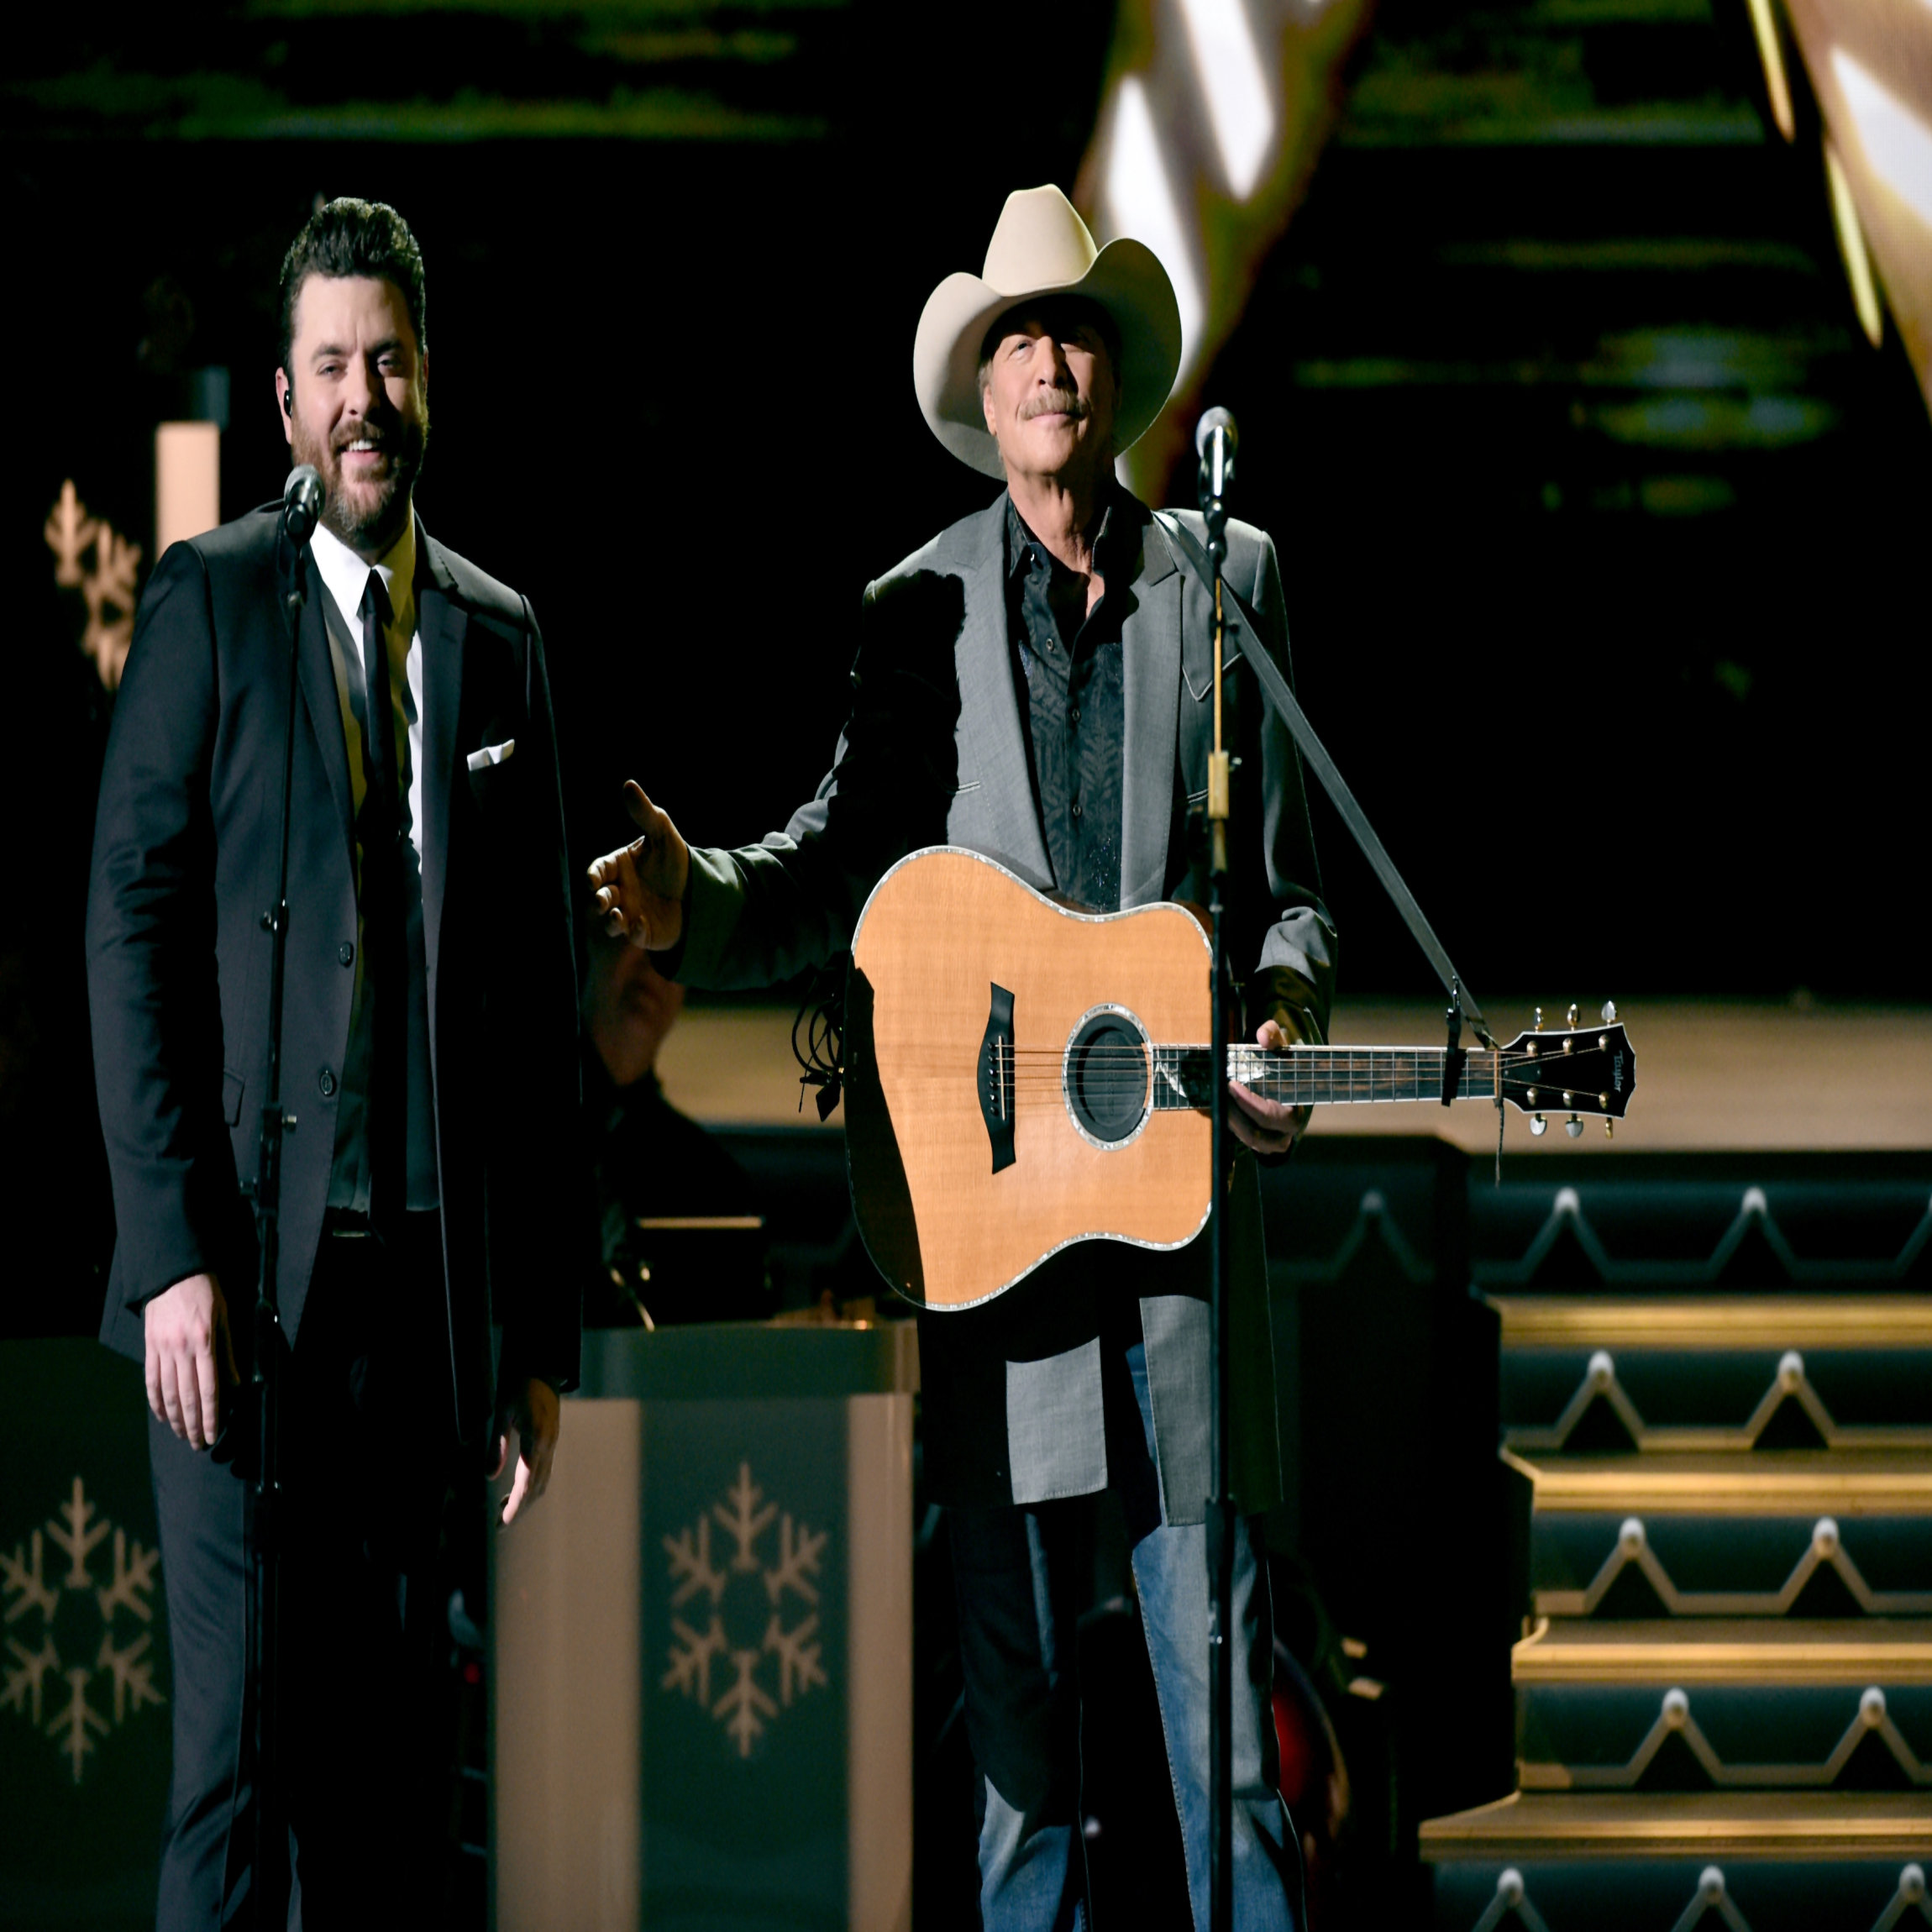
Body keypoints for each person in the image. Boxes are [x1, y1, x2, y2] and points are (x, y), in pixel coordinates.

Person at [590, 186, 1335, 1930]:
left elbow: (1290, 897)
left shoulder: (1226, 585)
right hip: (994, 1227)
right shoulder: (912, 608)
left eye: (1071, 330)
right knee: (1016, 1735)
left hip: (1171, 1234)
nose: (1048, 363)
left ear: (1112, 369)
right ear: (984, 389)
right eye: (1018, 339)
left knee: (1216, 1691)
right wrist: (688, 902)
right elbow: (837, 871)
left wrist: (1283, 1015)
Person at [87, 197, 584, 1925]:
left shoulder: (505, 639)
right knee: (235, 1768)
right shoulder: (207, 605)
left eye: (388, 357)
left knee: (386, 1789)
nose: (363, 394)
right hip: (241, 1304)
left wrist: (535, 1338)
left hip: (425, 1322)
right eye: (329, 366)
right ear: (286, 407)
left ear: (427, 376)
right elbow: (127, 936)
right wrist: (169, 1260)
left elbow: (535, 1016)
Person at [580, 919, 769, 1325]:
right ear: (589, 940)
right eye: (635, 933)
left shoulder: (717, 1188)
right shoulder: (501, 1139)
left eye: (674, 951)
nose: (654, 967)